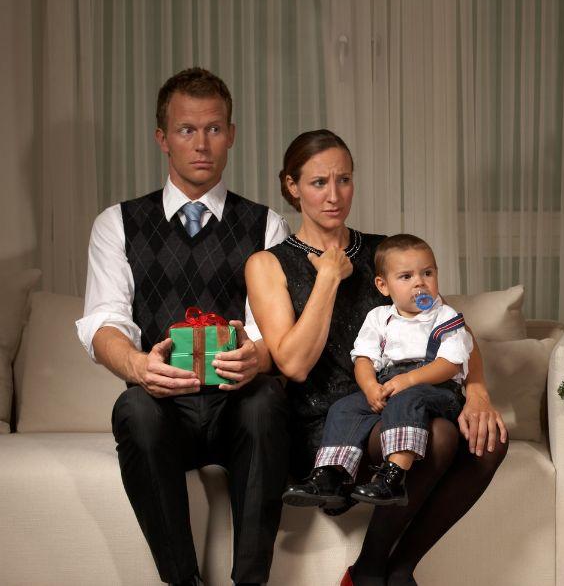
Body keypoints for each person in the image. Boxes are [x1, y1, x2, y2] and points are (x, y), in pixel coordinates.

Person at [245, 130, 508, 586]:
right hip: (331, 425)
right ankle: (370, 572)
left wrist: (478, 389)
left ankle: (396, 566)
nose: (334, 196)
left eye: (343, 180)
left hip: (400, 401)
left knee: (490, 441)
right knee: (440, 436)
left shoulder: (390, 255)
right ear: (291, 186)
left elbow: (448, 325)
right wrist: (328, 278)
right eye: (318, 183)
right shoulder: (267, 264)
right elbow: (293, 364)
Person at [76, 67, 291, 586]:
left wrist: (256, 357)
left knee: (267, 400)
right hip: (164, 409)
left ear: (232, 135)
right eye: (186, 130)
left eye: (214, 129)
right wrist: (137, 366)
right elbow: (104, 321)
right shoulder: (117, 223)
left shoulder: (266, 225)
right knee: (132, 406)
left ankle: (250, 583)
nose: (201, 144)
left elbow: (274, 335)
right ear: (162, 139)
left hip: (237, 407)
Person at [283, 233, 473, 509]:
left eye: (427, 273)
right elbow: (363, 359)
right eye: (406, 277)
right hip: (389, 384)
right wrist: (370, 387)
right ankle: (330, 476)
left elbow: (451, 363)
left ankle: (393, 477)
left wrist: (409, 379)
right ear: (383, 286)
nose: (420, 282)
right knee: (345, 408)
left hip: (437, 388)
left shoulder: (446, 317)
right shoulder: (379, 317)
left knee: (407, 398)